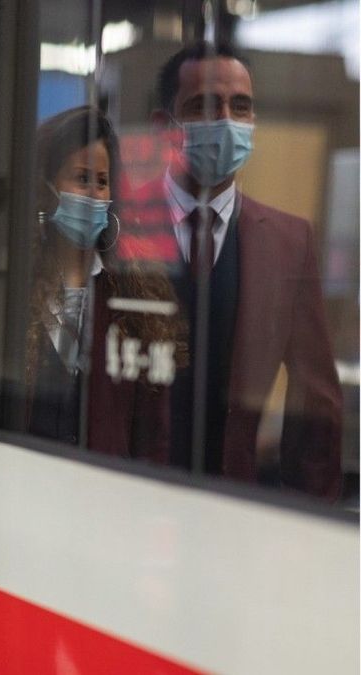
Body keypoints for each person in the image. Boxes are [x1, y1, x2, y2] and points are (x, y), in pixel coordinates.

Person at [139, 42, 342, 499]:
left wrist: (306, 511)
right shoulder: (122, 224)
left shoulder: (289, 242)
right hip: (129, 492)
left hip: (237, 500)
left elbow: (316, 395)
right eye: (203, 106)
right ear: (162, 128)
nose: (226, 121)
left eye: (241, 107)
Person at [19, 105, 182, 459]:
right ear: (45, 187)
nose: (94, 193)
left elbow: (153, 435)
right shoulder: (13, 287)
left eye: (102, 181)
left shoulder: (133, 294)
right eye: (81, 178)